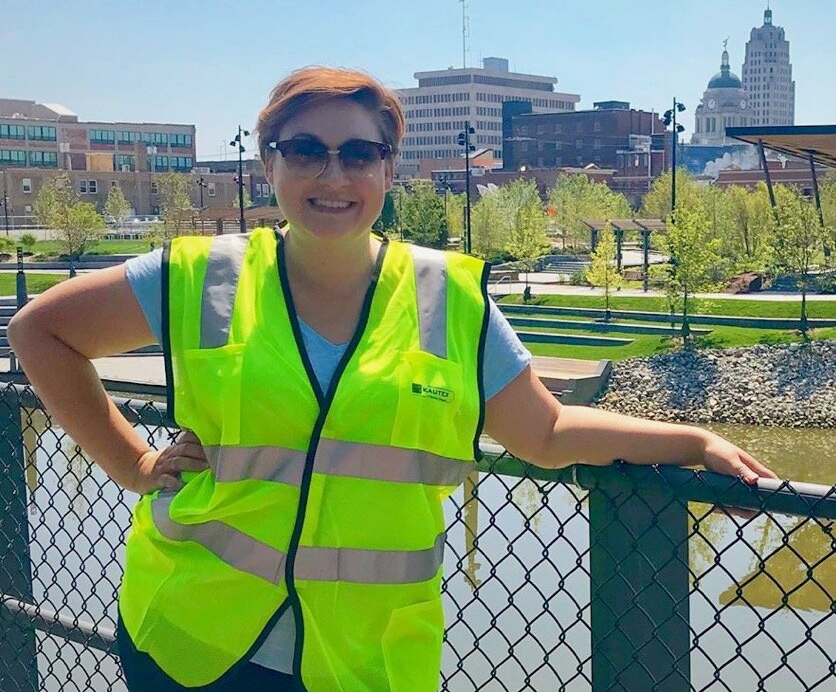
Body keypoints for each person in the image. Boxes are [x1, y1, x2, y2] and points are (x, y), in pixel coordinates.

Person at [8, 67, 774, 691]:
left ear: (389, 167)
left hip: (364, 659)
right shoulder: (202, 276)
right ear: (267, 160)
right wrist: (134, 465)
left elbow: (544, 433)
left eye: (358, 153)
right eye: (304, 149)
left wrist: (690, 440)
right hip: (194, 642)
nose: (332, 173)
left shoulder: (447, 297)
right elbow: (40, 331)